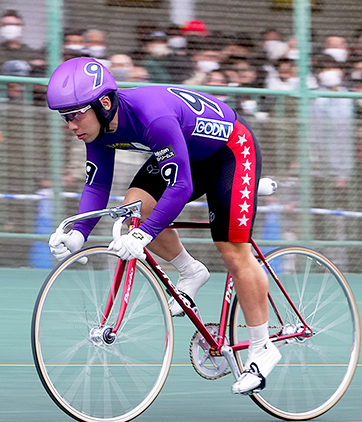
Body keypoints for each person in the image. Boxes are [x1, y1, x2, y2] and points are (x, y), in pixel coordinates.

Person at [45, 57, 280, 394]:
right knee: (134, 209)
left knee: (232, 250)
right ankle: (190, 270)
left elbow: (180, 186)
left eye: (75, 114)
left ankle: (262, 347)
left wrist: (142, 236)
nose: (70, 124)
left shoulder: (151, 116)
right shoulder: (97, 127)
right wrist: (78, 235)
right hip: (188, 154)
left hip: (230, 152)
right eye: (64, 117)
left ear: (104, 103)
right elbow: (97, 186)